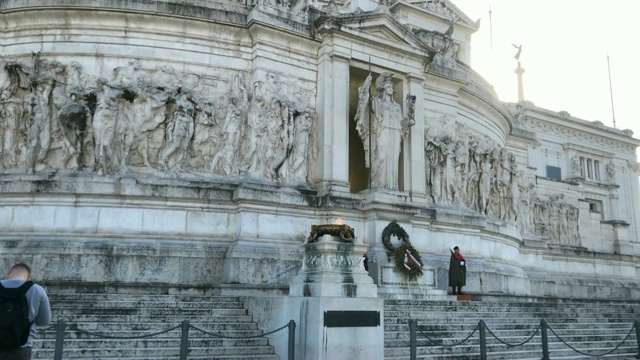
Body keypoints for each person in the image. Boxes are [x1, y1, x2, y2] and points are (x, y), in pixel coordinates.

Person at [0, 263, 51, 360]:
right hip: (22, 348)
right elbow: (44, 321)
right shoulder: (37, 290)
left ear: (8, 274)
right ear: (28, 277)